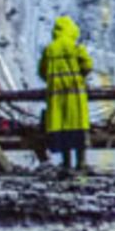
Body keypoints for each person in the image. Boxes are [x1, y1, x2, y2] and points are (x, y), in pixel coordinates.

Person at [39, 14, 93, 173]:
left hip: (57, 97)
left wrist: (52, 80)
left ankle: (67, 164)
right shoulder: (75, 47)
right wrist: (79, 76)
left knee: (63, 130)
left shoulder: (50, 49)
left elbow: (42, 71)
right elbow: (88, 65)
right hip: (75, 96)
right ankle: (81, 163)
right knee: (78, 130)